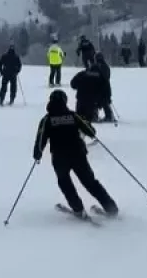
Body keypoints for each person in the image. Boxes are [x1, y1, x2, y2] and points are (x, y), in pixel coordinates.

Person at [33, 89, 118, 218]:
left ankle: (78, 209)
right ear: (65, 101)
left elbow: (40, 139)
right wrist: (90, 132)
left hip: (59, 157)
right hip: (78, 154)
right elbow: (90, 130)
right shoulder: (73, 115)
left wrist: (37, 154)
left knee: (65, 183)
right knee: (90, 182)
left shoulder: (47, 119)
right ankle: (110, 207)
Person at [93, 54, 115, 122]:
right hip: (103, 88)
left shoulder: (102, 66)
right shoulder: (103, 66)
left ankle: (109, 116)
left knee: (103, 102)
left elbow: (105, 77)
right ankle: (95, 115)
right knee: (98, 102)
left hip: (103, 88)